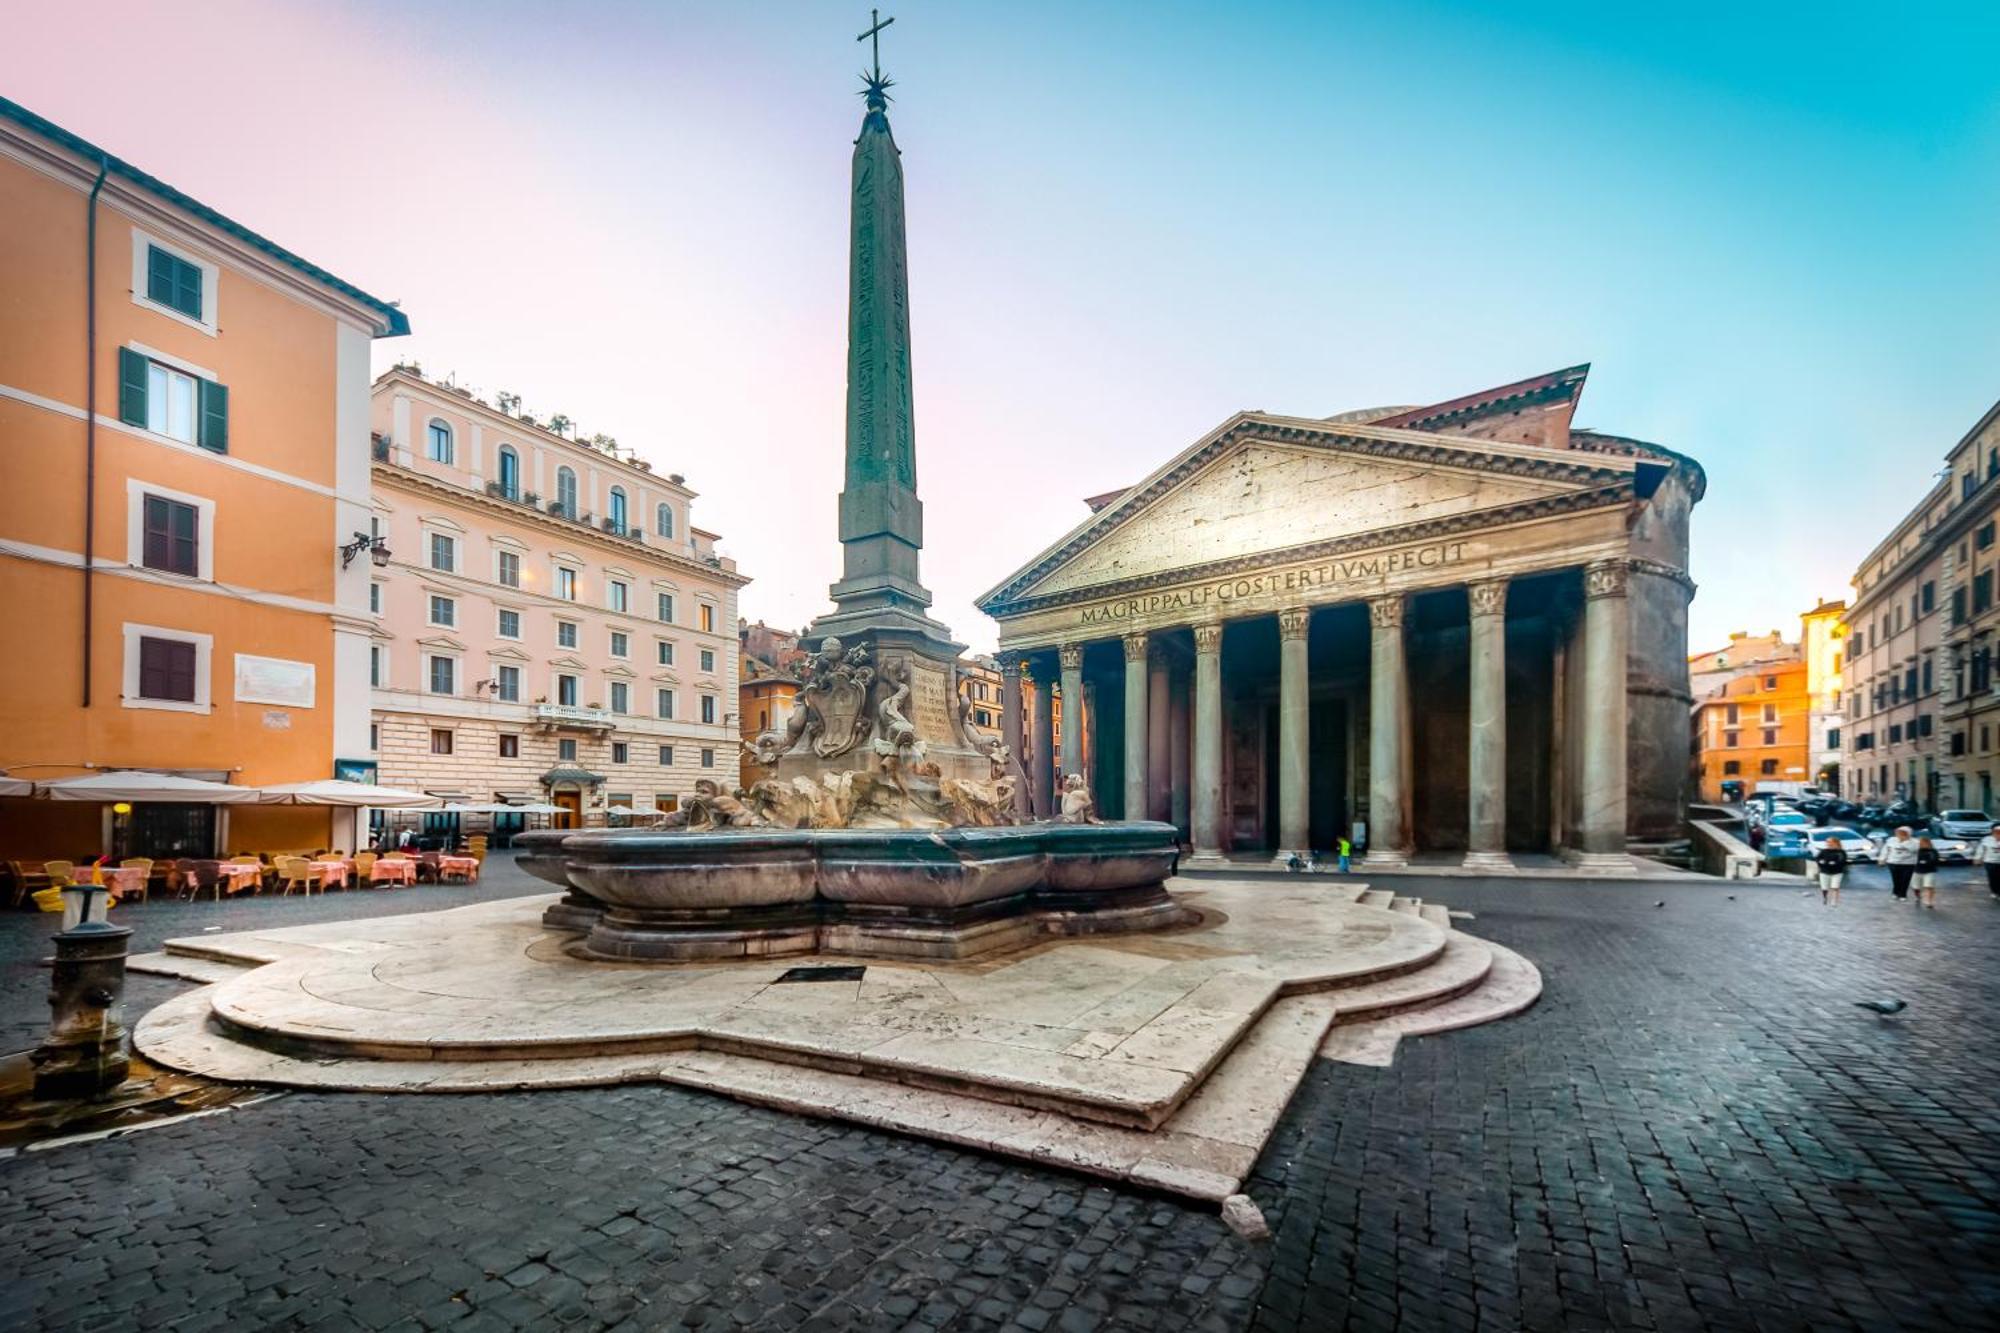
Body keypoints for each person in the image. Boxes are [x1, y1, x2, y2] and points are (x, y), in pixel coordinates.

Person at [1881, 826, 1918, 901]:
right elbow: (1885, 850)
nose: (1899, 834)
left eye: (1902, 833)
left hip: (1908, 863)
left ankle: (1903, 894)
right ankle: (1895, 893)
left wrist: (1904, 841)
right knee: (1896, 879)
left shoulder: (1915, 842)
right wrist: (1882, 859)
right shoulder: (1891, 840)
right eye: (1898, 833)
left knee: (1905, 879)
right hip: (1893, 862)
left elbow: (1914, 849)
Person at [1813, 836, 1847, 906]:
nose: (1828, 843)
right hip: (1824, 871)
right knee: (1824, 887)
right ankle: (1825, 898)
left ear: (1835, 843)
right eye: (1827, 842)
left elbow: (1842, 861)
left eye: (1830, 842)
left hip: (1837, 872)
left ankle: (1834, 901)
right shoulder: (1823, 851)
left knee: (1835, 887)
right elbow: (1817, 858)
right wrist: (1820, 861)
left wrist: (1836, 863)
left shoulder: (1841, 852)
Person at [1913, 836, 1942, 909]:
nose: (1923, 844)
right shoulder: (1916, 850)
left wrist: (1927, 862)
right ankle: (1918, 895)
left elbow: (1935, 860)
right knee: (1916, 887)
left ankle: (1929, 901)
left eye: (1925, 842)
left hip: (1929, 871)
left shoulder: (1933, 851)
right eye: (1922, 843)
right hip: (1917, 871)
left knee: (1929, 886)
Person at [1976, 824, 2000, 900]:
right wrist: (1977, 859)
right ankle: (1994, 892)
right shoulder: (1986, 839)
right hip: (1990, 862)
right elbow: (1980, 849)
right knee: (1993, 878)